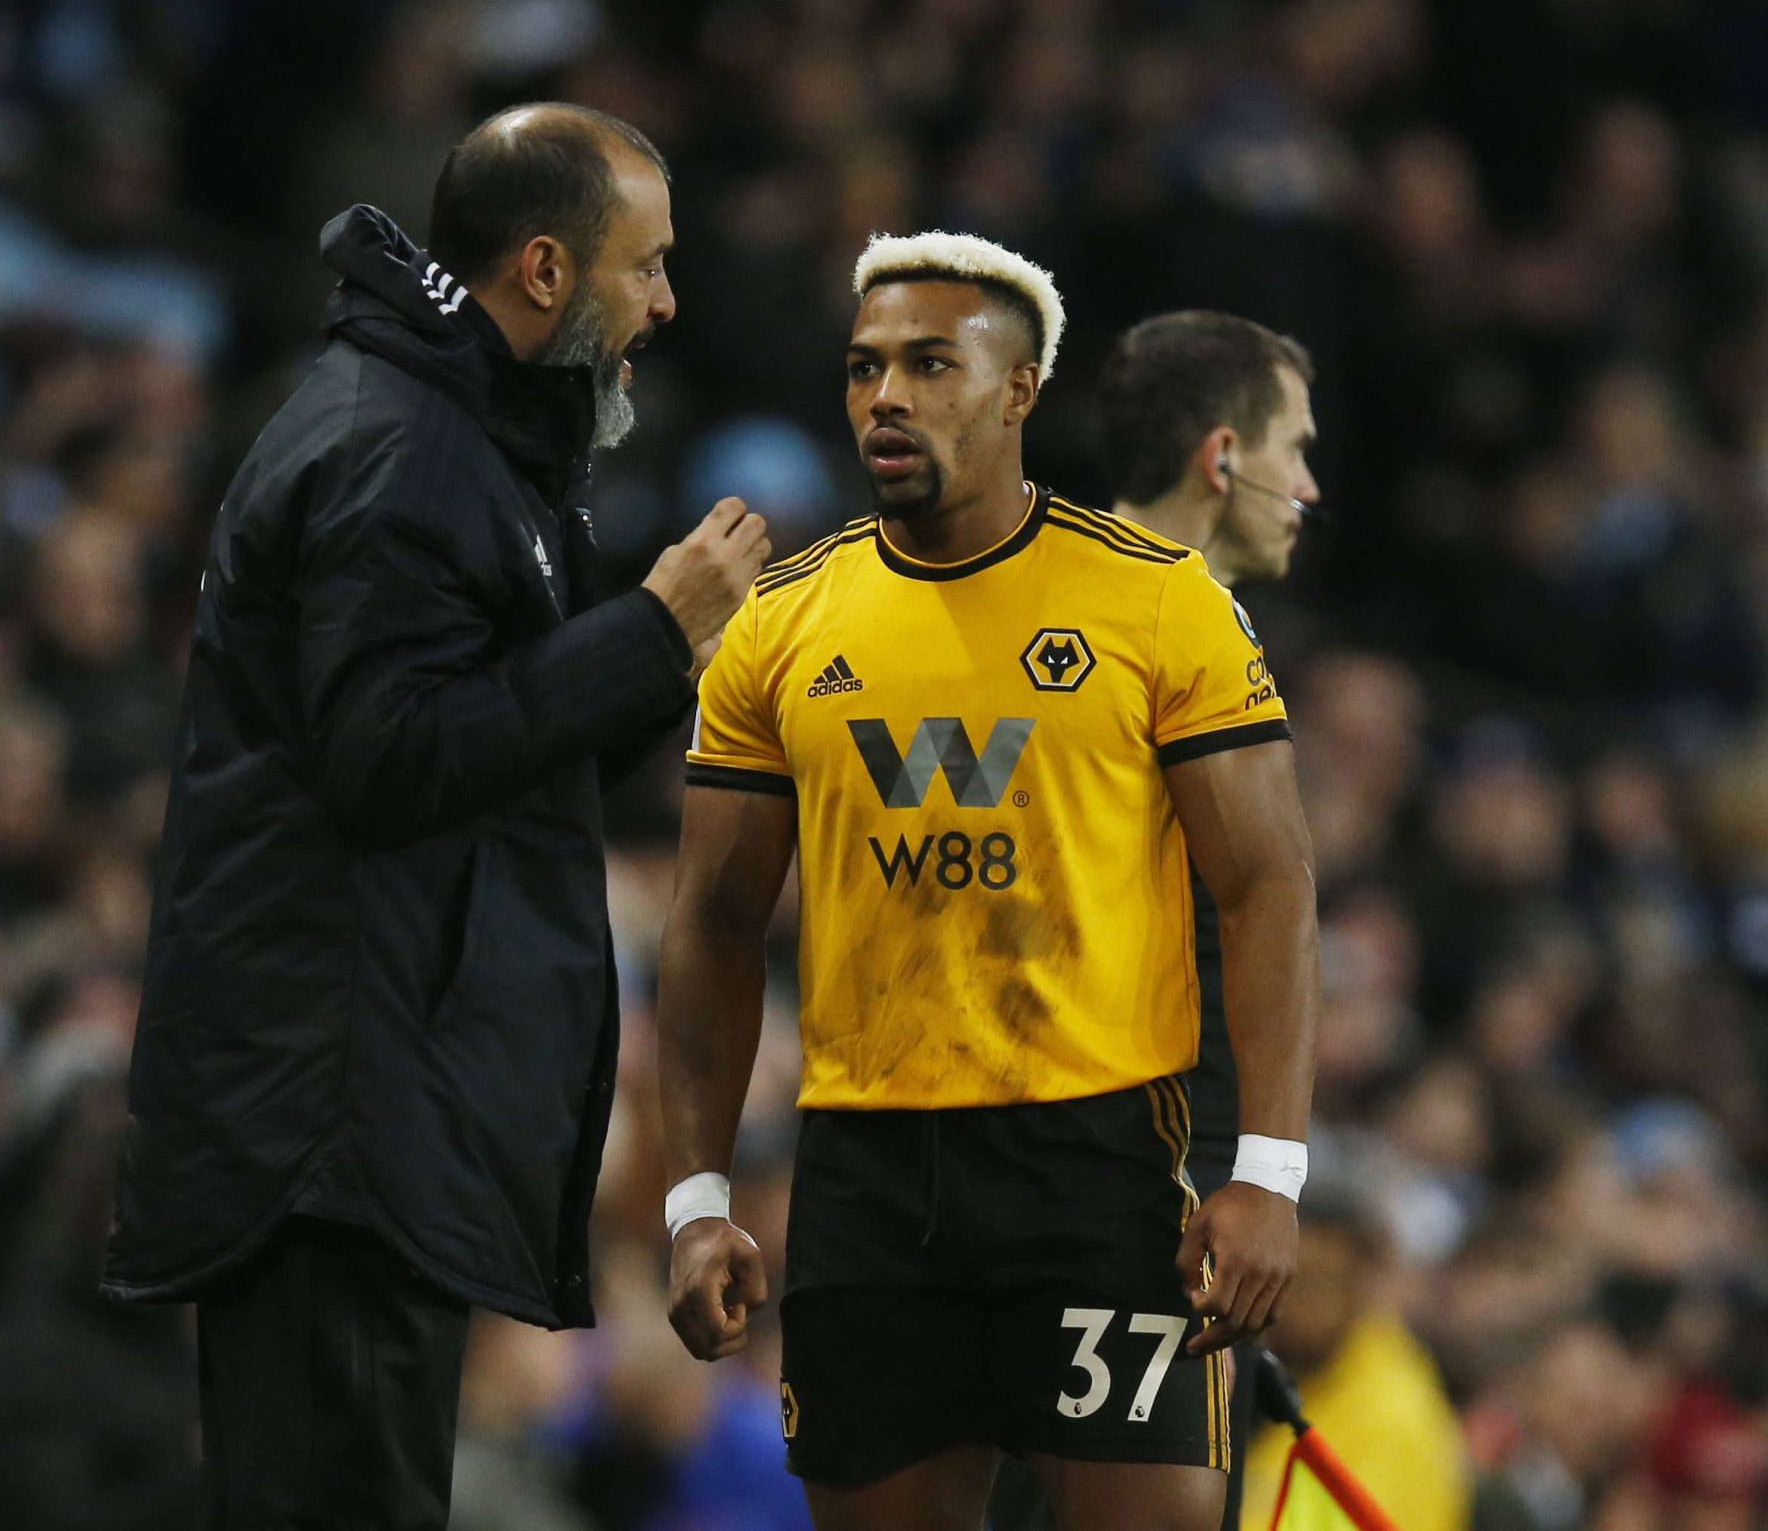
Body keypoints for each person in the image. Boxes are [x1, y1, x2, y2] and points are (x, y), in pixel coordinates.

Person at [101, 102, 770, 1530]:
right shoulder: (401, 447)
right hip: (331, 1121)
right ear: (543, 268)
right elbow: (390, 760)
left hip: (372, 1100)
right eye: (643, 266)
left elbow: (491, 751)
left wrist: (665, 664)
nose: (666, 301)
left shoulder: (460, 432)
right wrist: (650, 633)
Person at [656, 233, 1320, 1531]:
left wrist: (1270, 1174)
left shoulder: (1157, 602)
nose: (885, 398)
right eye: (863, 370)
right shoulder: (779, 626)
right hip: (865, 1179)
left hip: (1096, 1165)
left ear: (1018, 389)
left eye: (926, 364)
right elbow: (714, 925)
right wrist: (696, 1198)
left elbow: (1270, 886)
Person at [992, 309, 1326, 1531]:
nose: (1309, 486)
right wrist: (1237, 1185)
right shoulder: (1155, 624)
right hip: (1139, 1165)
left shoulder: (1063, 609)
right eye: (1295, 450)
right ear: (1221, 456)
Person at [1238, 1183, 1469, 1531]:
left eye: (1320, 1282)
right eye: (1284, 1279)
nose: (1296, 1303)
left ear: (1363, 1282)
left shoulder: (1393, 1414)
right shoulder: (1291, 1379)